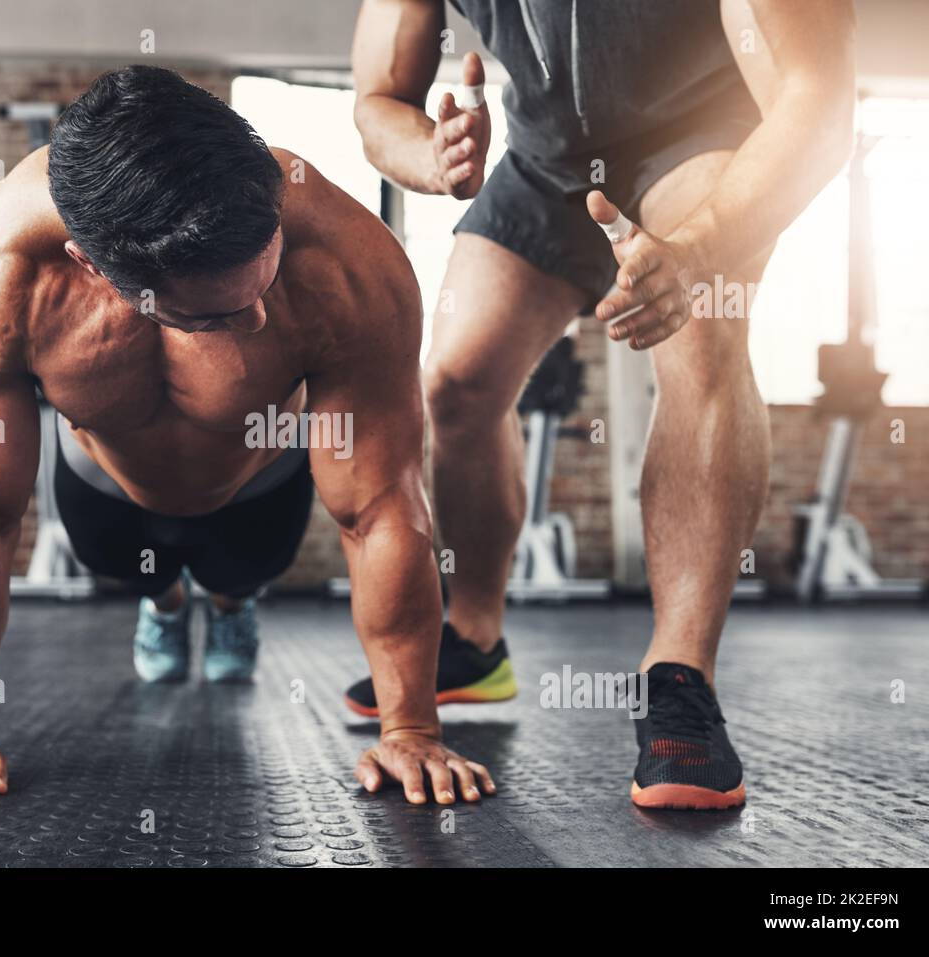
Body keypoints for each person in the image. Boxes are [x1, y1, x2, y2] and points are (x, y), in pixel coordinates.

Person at [0, 65, 496, 810]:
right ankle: (163, 606)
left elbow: (380, 505)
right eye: (214, 316)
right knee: (136, 568)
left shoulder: (352, 264)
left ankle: (228, 605)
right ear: (94, 268)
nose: (255, 324)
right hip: (105, 490)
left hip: (260, 482)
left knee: (237, 572)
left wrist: (411, 725)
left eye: (264, 283)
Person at [349, 0, 855, 808]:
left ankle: (679, 676)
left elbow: (818, 105)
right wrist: (434, 155)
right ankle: (475, 638)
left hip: (700, 138)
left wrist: (699, 249)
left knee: (701, 339)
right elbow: (378, 100)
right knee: (454, 379)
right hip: (545, 163)